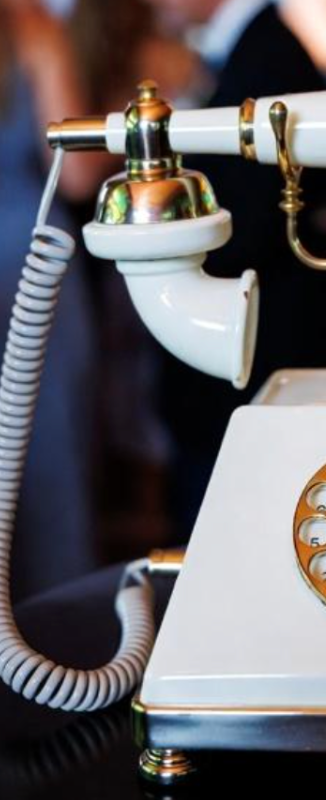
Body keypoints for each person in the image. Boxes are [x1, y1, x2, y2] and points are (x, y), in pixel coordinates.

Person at [143, 0, 326, 540]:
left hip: (260, 350)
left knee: (239, 529)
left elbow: (249, 223)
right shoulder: (252, 51)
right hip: (252, 348)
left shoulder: (268, 59)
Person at [0, 0, 99, 598]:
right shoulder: (31, 26)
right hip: (29, 259)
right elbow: (78, 175)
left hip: (27, 260)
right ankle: (54, 628)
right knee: (49, 455)